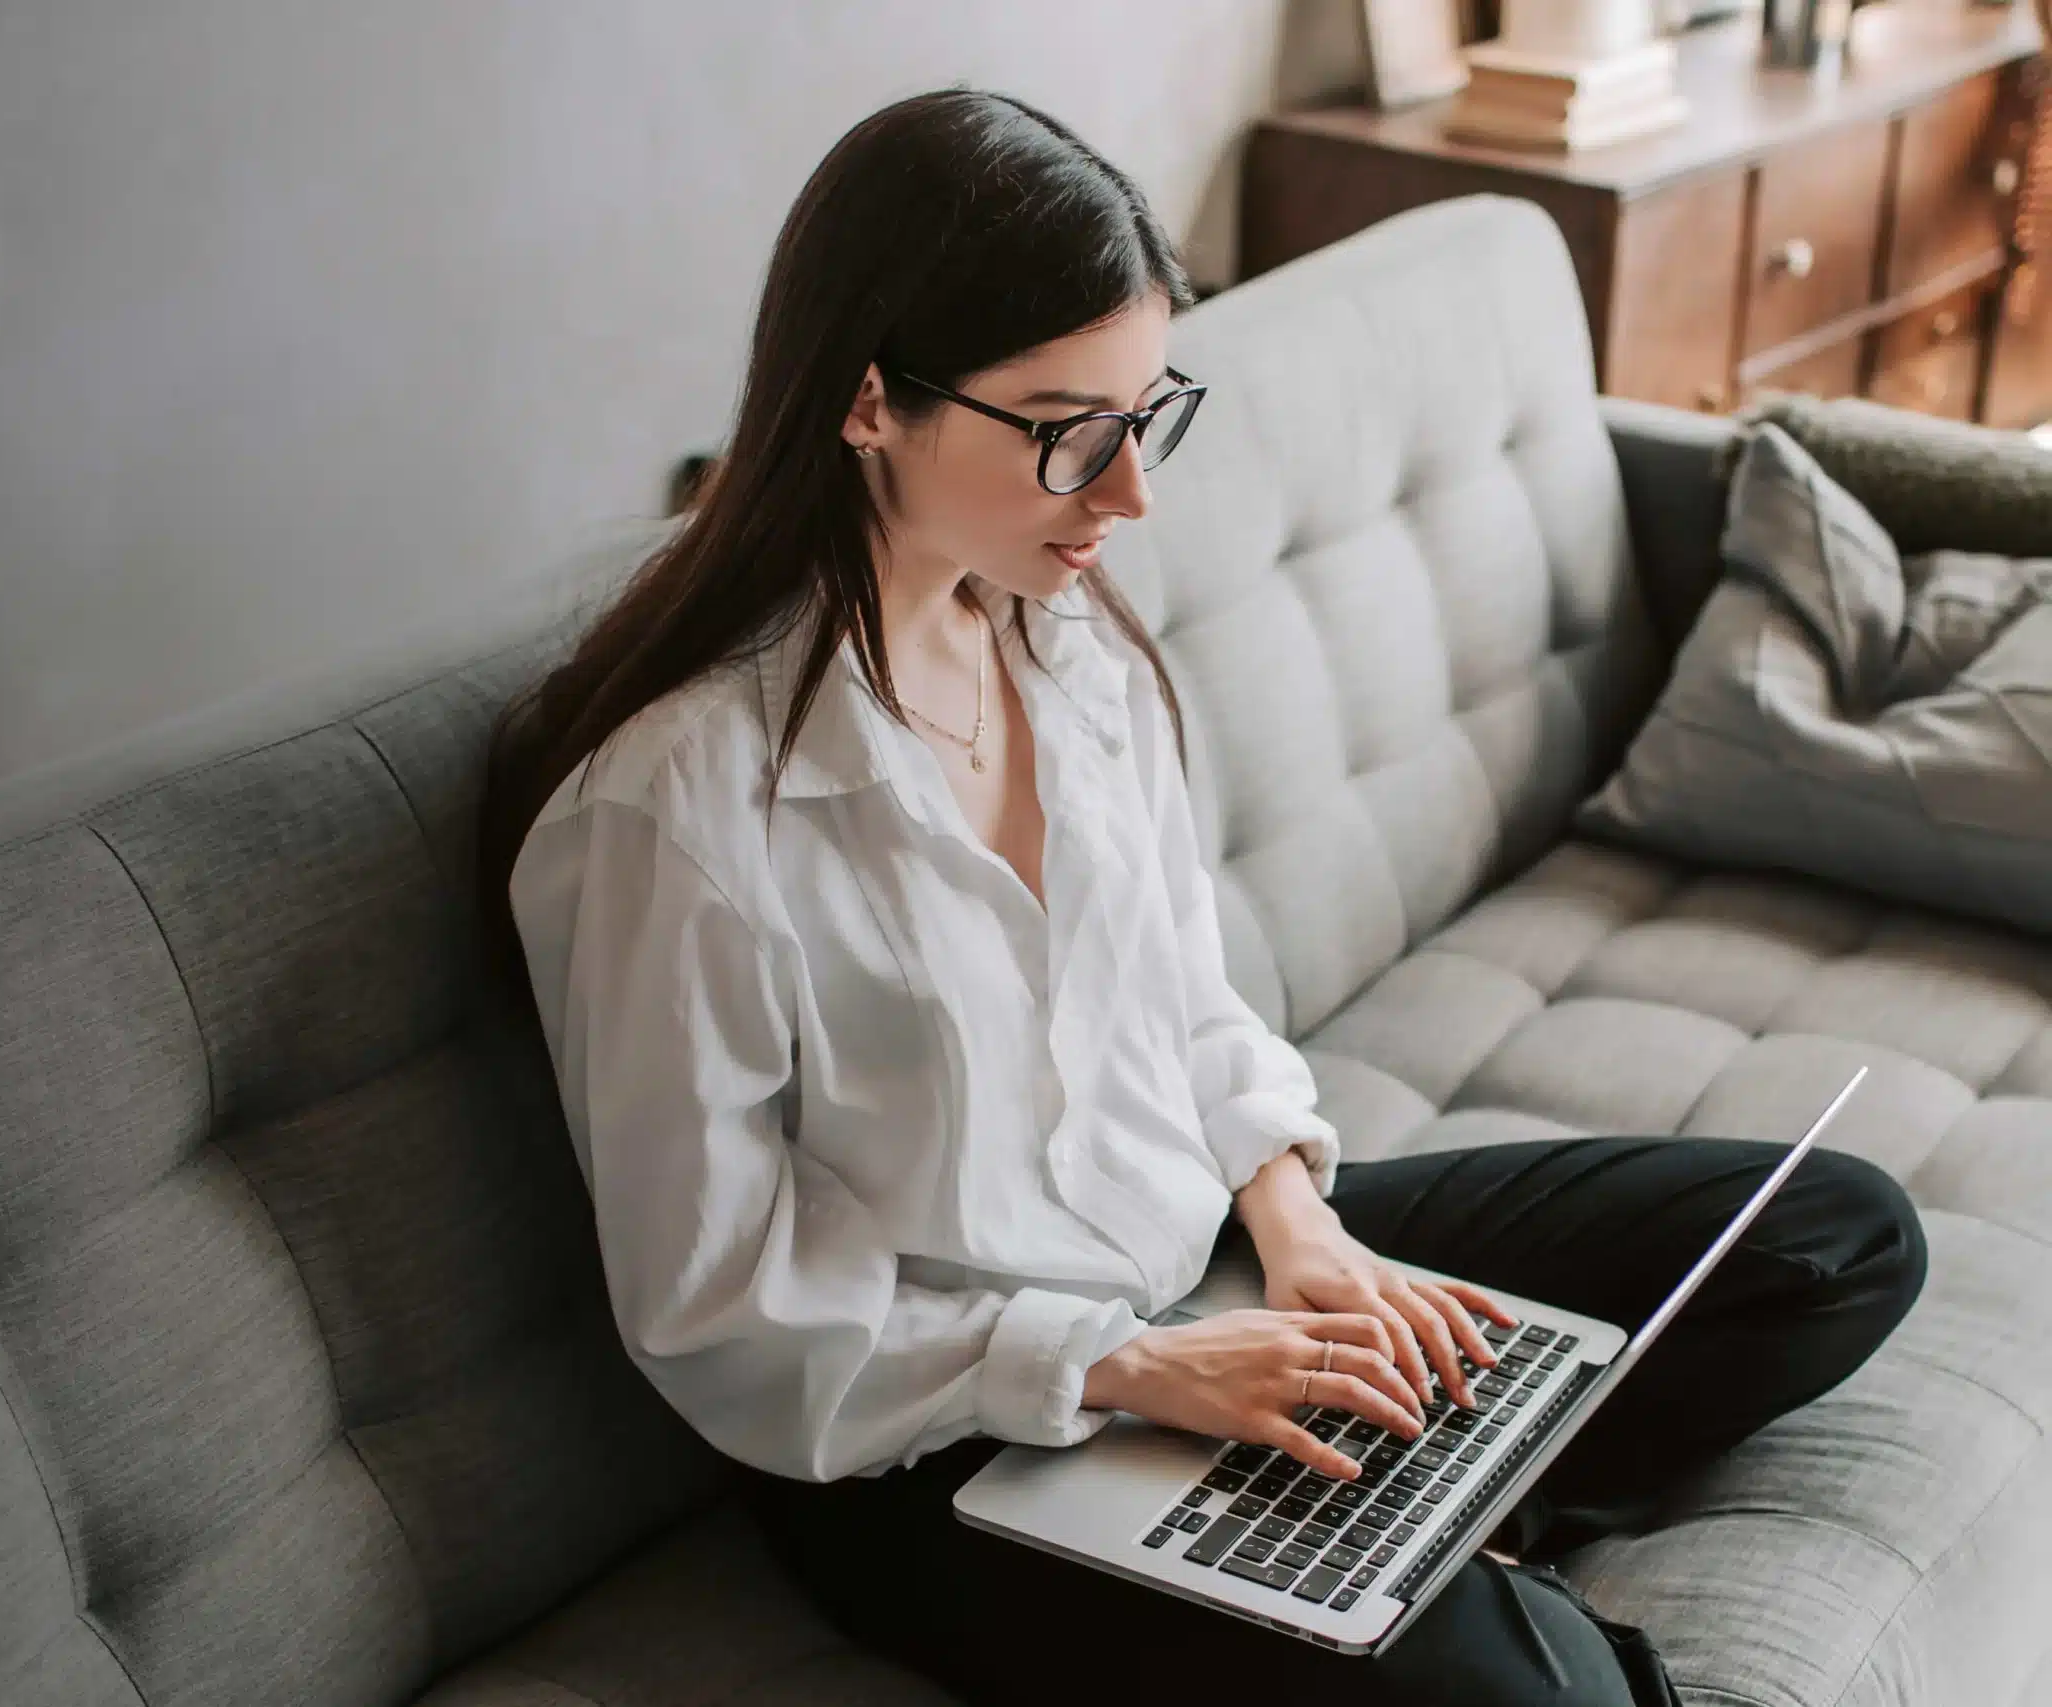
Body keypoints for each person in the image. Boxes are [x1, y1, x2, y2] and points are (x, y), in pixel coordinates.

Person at [475, 87, 1926, 1707]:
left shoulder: (1064, 639)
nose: (1129, 495)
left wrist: (1304, 1235)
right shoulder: (674, 814)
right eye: (1067, 431)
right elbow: (724, 1314)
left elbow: (1189, 1005)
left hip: (1209, 1277)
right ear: (869, 401)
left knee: (1834, 1239)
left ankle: (1409, 1499)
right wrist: (1136, 1368)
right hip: (946, 1439)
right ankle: (1416, 1542)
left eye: (1145, 414)